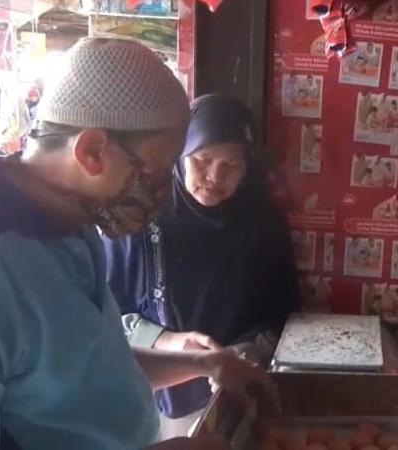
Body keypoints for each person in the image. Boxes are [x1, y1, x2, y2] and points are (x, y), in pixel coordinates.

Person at [0, 38, 276, 450]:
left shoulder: (76, 228)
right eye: (156, 173)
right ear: (93, 151)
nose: (166, 193)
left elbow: (99, 362)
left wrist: (204, 363)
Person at [103, 94, 299, 437]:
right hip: (149, 396)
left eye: (230, 166)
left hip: (237, 392)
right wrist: (166, 341)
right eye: (202, 159)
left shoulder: (263, 223)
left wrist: (244, 353)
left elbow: (284, 313)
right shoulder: (139, 217)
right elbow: (104, 313)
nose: (213, 176)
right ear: (180, 155)